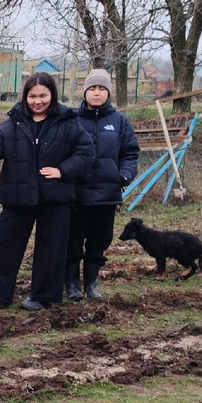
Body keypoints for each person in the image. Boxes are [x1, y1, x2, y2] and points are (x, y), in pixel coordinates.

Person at [0, 72, 94, 311]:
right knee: (1, 241)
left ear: (52, 95)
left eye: (43, 96)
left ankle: (43, 296)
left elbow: (86, 153)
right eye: (32, 96)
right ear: (25, 97)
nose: (38, 101)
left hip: (55, 197)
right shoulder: (14, 121)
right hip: (19, 195)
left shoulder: (68, 121)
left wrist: (63, 171)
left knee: (51, 246)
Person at [69, 68, 140, 300]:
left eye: (101, 89)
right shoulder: (71, 120)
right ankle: (71, 286)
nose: (96, 93)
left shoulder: (120, 122)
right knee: (72, 241)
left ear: (108, 92)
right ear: (85, 92)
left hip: (107, 194)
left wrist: (124, 176)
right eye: (92, 89)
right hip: (75, 193)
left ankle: (91, 285)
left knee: (98, 242)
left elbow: (130, 153)